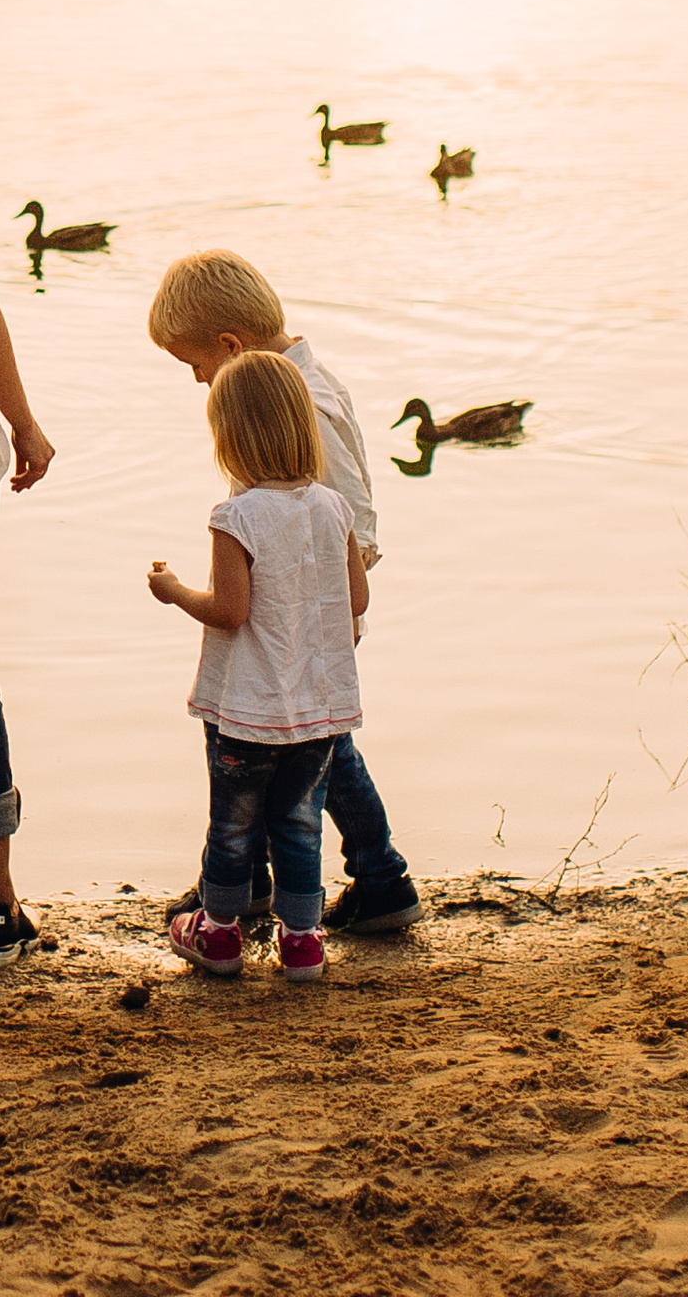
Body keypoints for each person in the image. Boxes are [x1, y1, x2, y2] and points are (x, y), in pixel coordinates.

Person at [145, 251, 422, 935]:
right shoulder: (296, 386)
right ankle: (270, 880)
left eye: (196, 366)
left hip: (298, 623)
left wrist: (311, 610)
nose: (197, 381)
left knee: (271, 748)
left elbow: (345, 519)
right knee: (297, 749)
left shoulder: (307, 404)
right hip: (298, 618)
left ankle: (365, 878)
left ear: (231, 348)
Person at [147, 350, 366, 981]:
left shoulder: (235, 517)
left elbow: (230, 610)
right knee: (299, 825)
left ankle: (219, 935)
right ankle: (303, 942)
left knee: (233, 825)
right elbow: (356, 599)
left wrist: (175, 590)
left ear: (230, 440)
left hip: (246, 711)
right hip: (318, 712)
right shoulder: (333, 508)